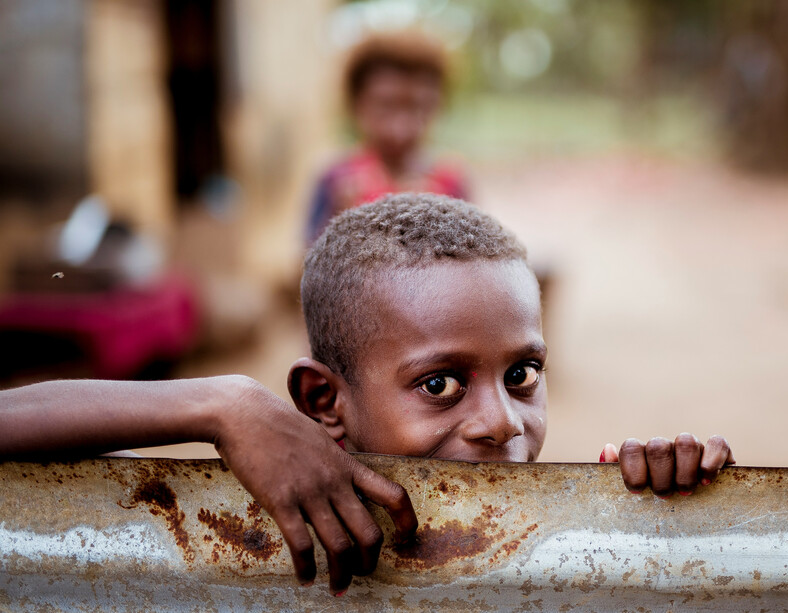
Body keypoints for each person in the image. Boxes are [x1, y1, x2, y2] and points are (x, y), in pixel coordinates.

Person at [0, 194, 734, 596]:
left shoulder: (559, 527)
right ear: (324, 401)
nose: (501, 422)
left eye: (523, 374)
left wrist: (656, 510)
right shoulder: (266, 510)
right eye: (440, 384)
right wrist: (223, 404)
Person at [306, 31, 469, 243]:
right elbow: (306, 265)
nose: (399, 129)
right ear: (357, 104)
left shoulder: (451, 183)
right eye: (386, 107)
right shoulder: (336, 181)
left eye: (417, 108)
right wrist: (341, 226)